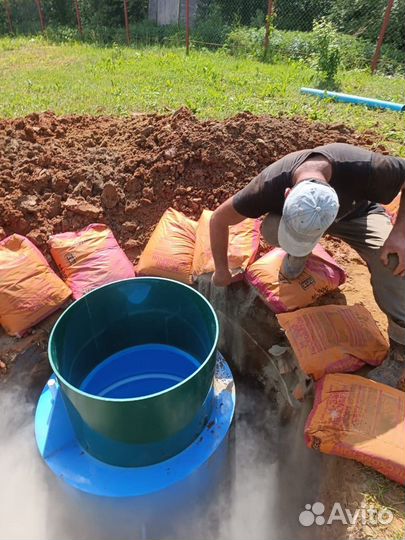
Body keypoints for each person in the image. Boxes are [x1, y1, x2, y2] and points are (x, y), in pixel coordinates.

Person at [209, 143, 405, 390]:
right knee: (270, 229)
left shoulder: (366, 167)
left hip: (357, 216)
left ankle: (400, 353)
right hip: (307, 217)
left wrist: (400, 233)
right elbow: (218, 219)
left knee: (394, 266)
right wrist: (221, 270)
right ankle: (298, 250)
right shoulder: (269, 183)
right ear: (287, 193)